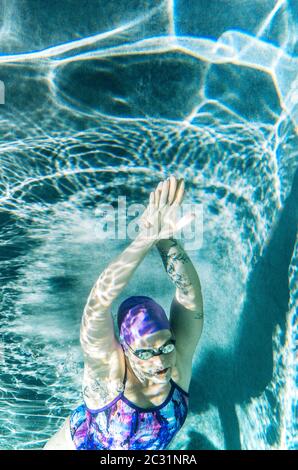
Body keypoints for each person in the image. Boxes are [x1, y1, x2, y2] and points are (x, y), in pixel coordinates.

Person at [43, 175, 204, 450]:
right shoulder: (109, 376)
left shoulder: (177, 359)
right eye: (144, 352)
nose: (159, 361)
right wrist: (146, 238)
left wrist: (165, 240)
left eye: (165, 346)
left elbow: (189, 296)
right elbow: (97, 304)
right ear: (125, 350)